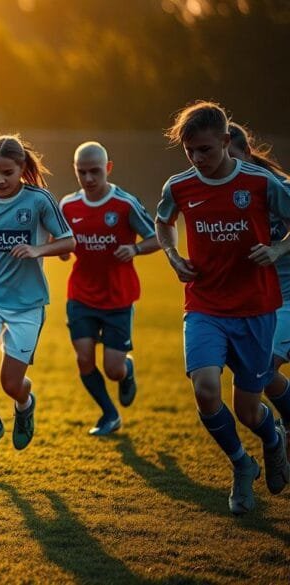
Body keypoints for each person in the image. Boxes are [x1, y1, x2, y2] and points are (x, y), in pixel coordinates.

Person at [155, 101, 290, 515]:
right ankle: (240, 465)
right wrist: (174, 258)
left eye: (206, 150)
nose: (198, 159)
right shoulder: (179, 186)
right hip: (205, 305)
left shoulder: (260, 183)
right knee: (206, 389)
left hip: (255, 308)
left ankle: (272, 441)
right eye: (190, 151)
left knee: (250, 409)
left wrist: (278, 248)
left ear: (227, 142)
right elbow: (163, 222)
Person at [0, 135, 75, 468]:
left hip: (27, 302)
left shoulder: (39, 200)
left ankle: (25, 404)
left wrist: (38, 249)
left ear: (22, 168)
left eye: (8, 172)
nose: (0, 180)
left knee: (11, 384)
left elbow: (69, 241)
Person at [59, 142, 160, 436]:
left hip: (118, 296)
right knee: (84, 358)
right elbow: (61, 240)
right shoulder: (68, 205)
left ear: (108, 169)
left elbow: (157, 238)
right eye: (82, 172)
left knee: (113, 369)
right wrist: (63, 251)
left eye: (95, 171)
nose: (89, 178)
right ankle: (109, 414)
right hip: (81, 294)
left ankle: (126, 371)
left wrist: (135, 249)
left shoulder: (125, 204)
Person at [227, 123, 290, 446]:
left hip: (287, 298)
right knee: (258, 373)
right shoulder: (227, 193)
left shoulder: (277, 187)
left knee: (263, 368)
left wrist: (278, 248)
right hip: (260, 300)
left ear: (247, 153)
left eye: (234, 158)